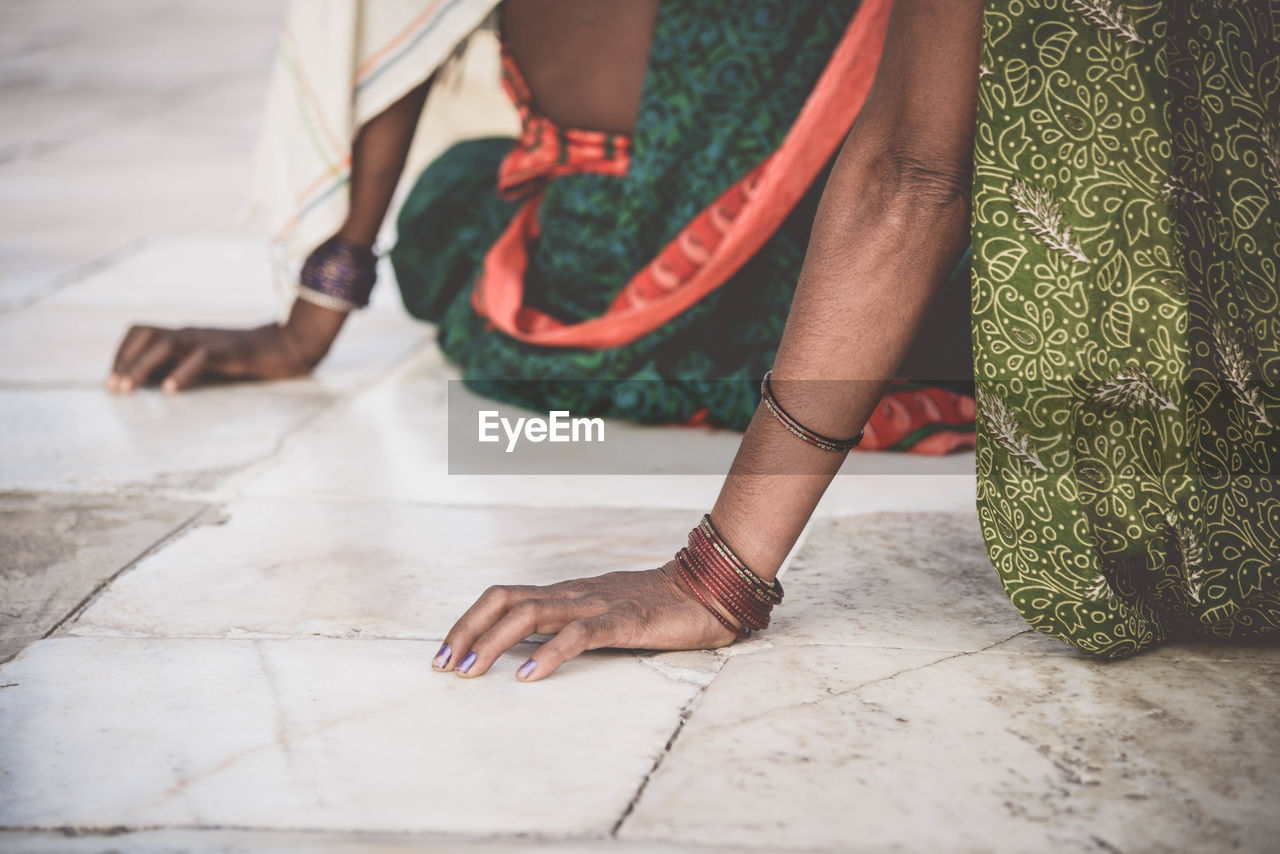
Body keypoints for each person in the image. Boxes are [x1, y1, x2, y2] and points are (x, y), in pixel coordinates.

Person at [106, 0, 976, 454]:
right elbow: (913, 173)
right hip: (816, 290)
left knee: (452, 197)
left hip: (569, 285)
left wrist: (310, 322)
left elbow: (397, 38)